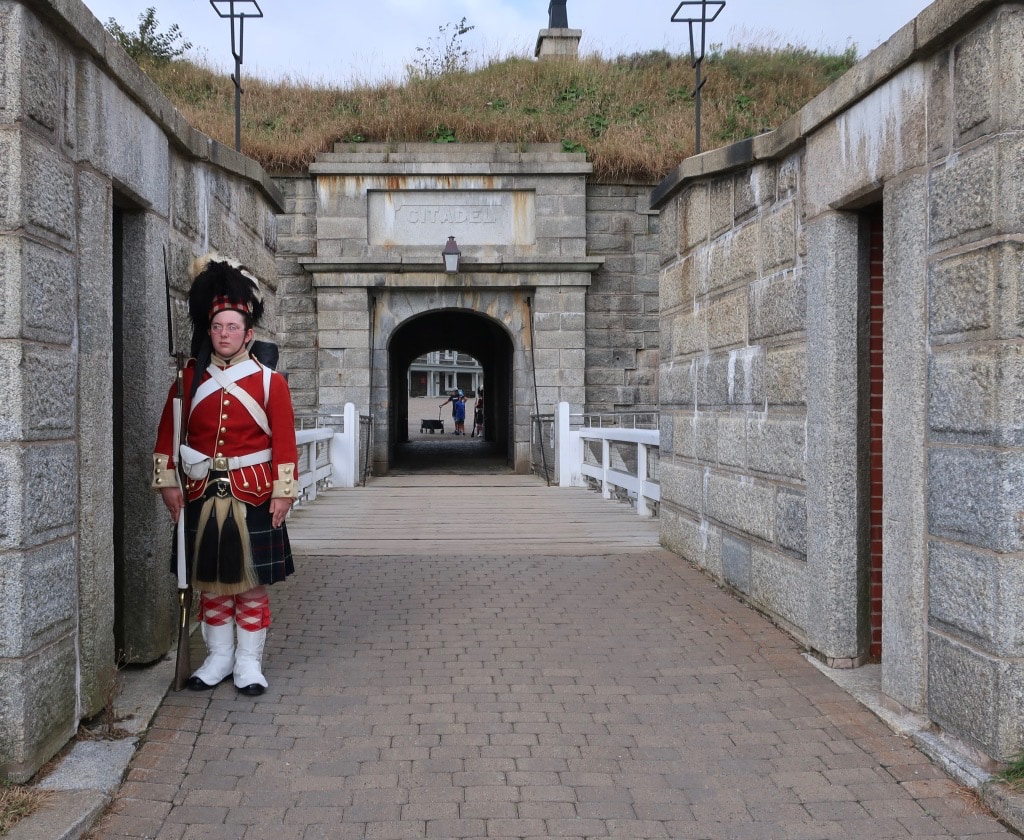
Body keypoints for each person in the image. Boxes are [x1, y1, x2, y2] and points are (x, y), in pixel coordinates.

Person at [152, 253, 298, 697]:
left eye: (232, 327)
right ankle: (217, 658)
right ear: (209, 331)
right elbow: (167, 435)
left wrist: (283, 492)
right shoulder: (188, 379)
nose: (224, 334)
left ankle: (248, 663)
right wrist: (169, 484)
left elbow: (286, 443)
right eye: (217, 327)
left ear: (248, 334)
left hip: (253, 493)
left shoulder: (271, 383)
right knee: (210, 584)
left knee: (251, 584)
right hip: (200, 490)